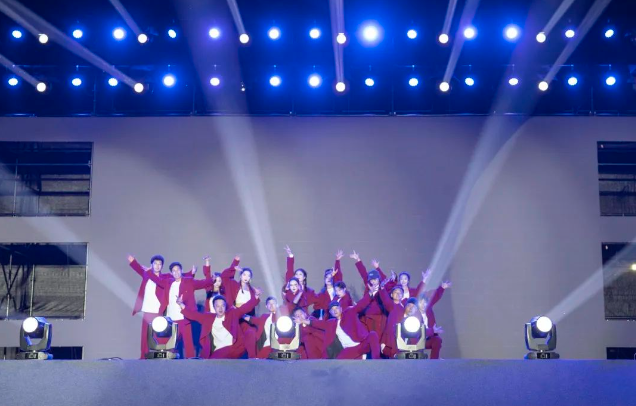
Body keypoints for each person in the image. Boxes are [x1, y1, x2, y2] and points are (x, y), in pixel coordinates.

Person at [146, 262, 214, 359]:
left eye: (178, 270)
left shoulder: (189, 281)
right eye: (174, 271)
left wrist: (210, 274)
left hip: (184, 317)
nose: (176, 272)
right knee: (170, 344)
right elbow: (157, 280)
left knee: (188, 343)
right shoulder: (168, 282)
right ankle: (168, 362)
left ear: (181, 271)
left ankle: (190, 362)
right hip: (170, 320)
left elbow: (204, 283)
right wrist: (149, 271)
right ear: (171, 273)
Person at [298, 287, 381, 359]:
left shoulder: (349, 312)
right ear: (330, 313)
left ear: (341, 309)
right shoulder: (331, 323)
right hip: (349, 350)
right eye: (332, 310)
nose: (335, 311)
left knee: (373, 334)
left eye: (336, 308)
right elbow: (318, 324)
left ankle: (377, 362)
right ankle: (361, 358)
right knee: (338, 362)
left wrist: (370, 293)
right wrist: (304, 321)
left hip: (361, 344)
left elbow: (359, 306)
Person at [178, 290, 261, 359]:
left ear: (225, 307)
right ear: (214, 307)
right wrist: (181, 304)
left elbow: (245, 308)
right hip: (219, 350)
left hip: (234, 347)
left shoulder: (232, 314)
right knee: (211, 361)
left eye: (222, 306)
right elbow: (194, 315)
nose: (220, 308)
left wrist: (256, 297)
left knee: (250, 332)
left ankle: (253, 360)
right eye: (217, 306)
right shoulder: (208, 318)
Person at [128, 254, 168, 359]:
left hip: (158, 311)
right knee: (145, 335)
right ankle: (143, 356)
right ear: (151, 264)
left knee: (158, 335)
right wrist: (133, 261)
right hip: (147, 310)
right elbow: (139, 269)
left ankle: (160, 356)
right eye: (155, 263)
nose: (157, 266)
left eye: (160, 264)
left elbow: (178, 275)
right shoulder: (147, 274)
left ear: (162, 266)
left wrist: (191, 273)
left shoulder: (164, 277)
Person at [350, 251, 387, 339]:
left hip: (379, 318)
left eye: (375, 279)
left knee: (377, 338)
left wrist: (377, 268)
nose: (373, 281)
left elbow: (386, 279)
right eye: (371, 280)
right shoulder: (368, 286)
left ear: (378, 279)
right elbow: (363, 273)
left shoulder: (383, 288)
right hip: (366, 317)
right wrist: (358, 260)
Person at [282, 245, 318, 312]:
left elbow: (318, 300)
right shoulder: (291, 286)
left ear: (304, 277)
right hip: (290, 313)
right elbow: (290, 270)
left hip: (303, 314)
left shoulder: (309, 291)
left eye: (300, 274)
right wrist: (291, 256)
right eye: (296, 274)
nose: (298, 276)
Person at [313, 250, 344, 319]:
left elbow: (338, 276)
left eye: (331, 277)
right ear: (324, 279)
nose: (329, 279)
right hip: (328, 319)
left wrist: (337, 261)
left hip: (340, 317)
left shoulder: (338, 290)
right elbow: (317, 307)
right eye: (327, 277)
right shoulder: (321, 294)